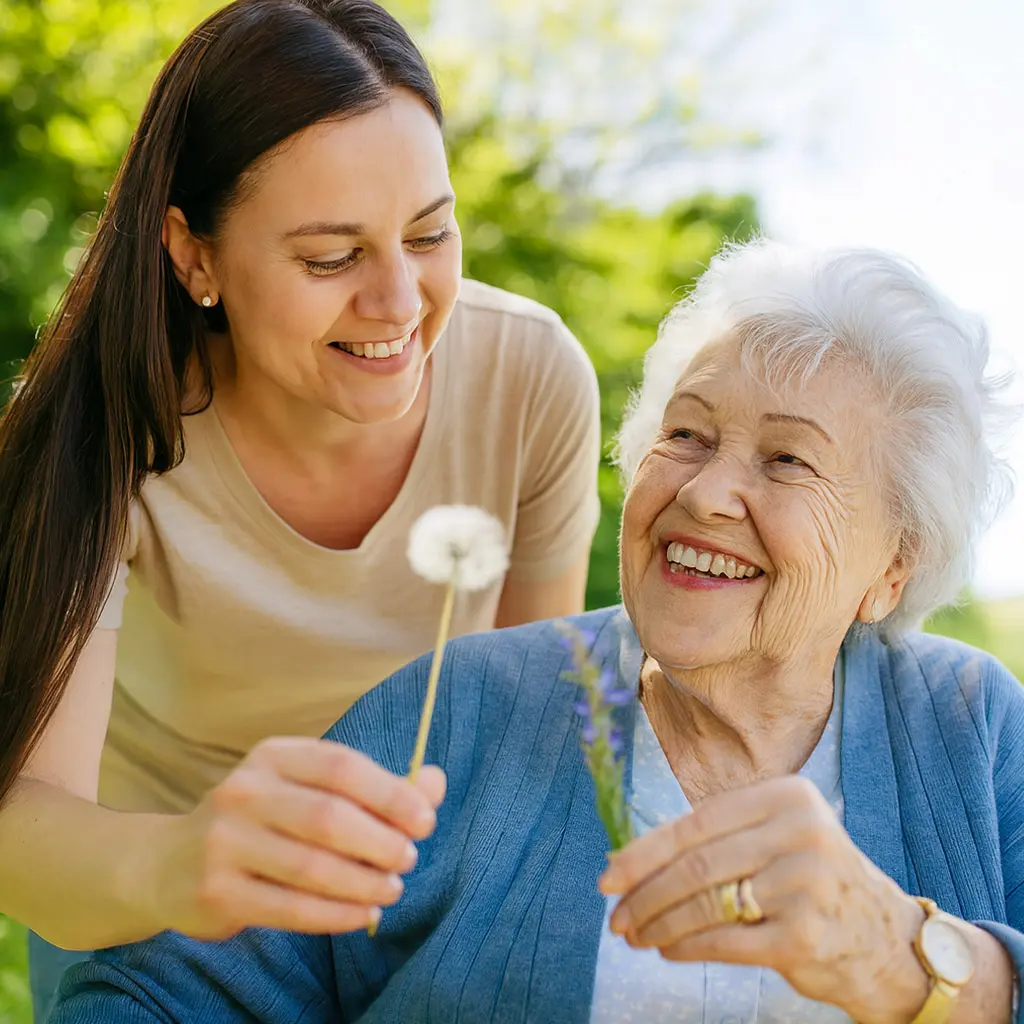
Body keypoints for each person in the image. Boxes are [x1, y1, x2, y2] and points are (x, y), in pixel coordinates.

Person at [52, 239, 1024, 1024]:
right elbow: (157, 994)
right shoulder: (459, 708)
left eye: (785, 461)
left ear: (892, 563)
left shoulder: (973, 726)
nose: (705, 491)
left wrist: (907, 962)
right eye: (683, 434)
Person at [0, 0, 600, 1018]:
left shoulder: (531, 377)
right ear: (192, 255)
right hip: (146, 905)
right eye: (331, 257)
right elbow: (20, 827)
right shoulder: (101, 431)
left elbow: (532, 744)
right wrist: (187, 860)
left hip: (410, 906)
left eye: (430, 233)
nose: (400, 302)